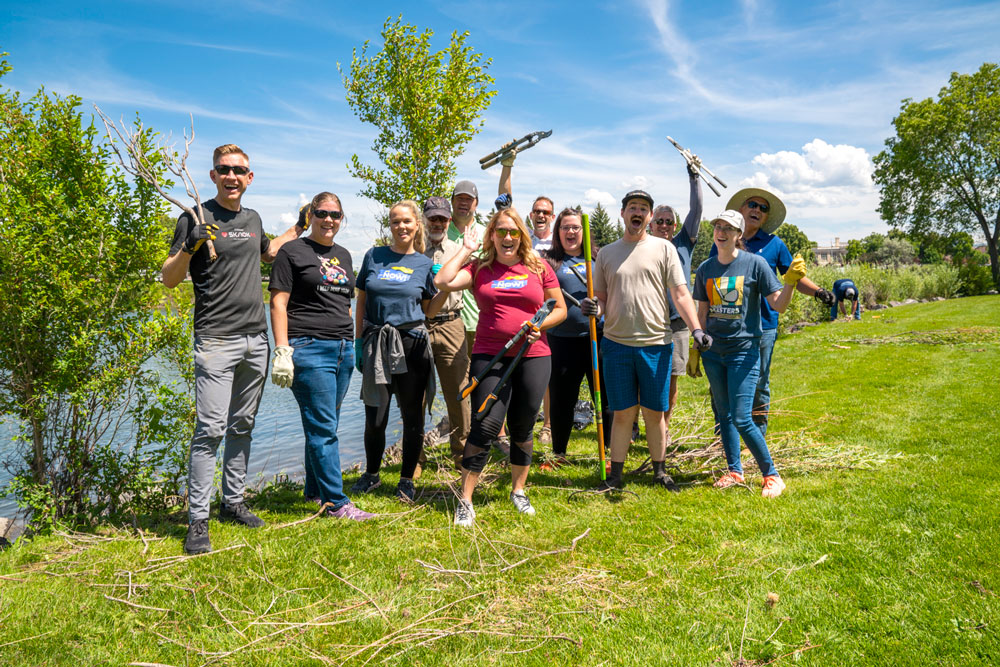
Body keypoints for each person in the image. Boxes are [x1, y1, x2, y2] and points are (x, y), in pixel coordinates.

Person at [161, 144, 305, 554]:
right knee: (209, 430)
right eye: (224, 169)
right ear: (213, 175)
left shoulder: (253, 218)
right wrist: (190, 246)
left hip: (256, 339)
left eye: (239, 170)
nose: (232, 176)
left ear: (250, 177)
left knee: (242, 426)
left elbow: (267, 251)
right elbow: (169, 279)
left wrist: (298, 226)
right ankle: (198, 520)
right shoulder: (195, 218)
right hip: (215, 339)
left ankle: (234, 502)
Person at [435, 208, 566, 526]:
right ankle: (465, 500)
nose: (508, 237)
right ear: (491, 234)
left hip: (534, 355)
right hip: (489, 355)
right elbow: (443, 280)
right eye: (501, 231)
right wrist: (467, 249)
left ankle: (518, 491)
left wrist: (541, 325)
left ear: (521, 235)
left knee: (523, 426)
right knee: (486, 424)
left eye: (514, 232)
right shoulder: (479, 267)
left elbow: (560, 309)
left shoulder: (538, 266)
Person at [587, 190, 709, 492]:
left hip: (657, 343)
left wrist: (695, 329)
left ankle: (659, 471)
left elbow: (681, 293)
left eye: (643, 208)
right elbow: (601, 299)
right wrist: (593, 307)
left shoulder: (664, 249)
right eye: (632, 207)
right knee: (622, 413)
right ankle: (615, 475)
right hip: (616, 344)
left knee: (655, 413)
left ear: (650, 216)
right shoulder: (606, 254)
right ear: (623, 213)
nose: (637, 212)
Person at [267, 192, 375, 521]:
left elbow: (345, 302)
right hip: (309, 347)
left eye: (336, 215)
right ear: (310, 215)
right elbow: (278, 303)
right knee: (324, 428)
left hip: (341, 348)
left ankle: (314, 491)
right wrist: (283, 350)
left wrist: (353, 343)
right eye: (322, 213)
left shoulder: (342, 254)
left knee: (323, 424)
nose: (329, 220)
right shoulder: (292, 252)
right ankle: (337, 503)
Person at [693, 210, 805, 498]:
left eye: (728, 228)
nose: (721, 232)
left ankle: (772, 475)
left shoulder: (754, 264)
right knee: (725, 415)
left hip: (744, 351)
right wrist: (696, 346)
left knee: (742, 417)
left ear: (739, 234)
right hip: (713, 353)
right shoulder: (706, 268)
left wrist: (790, 281)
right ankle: (735, 471)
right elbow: (701, 312)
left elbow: (778, 305)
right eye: (718, 226)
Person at [712, 188, 835, 435]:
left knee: (758, 382)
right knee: (722, 384)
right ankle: (723, 438)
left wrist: (819, 291)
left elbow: (794, 277)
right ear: (741, 210)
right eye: (752, 205)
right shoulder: (721, 238)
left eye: (763, 208)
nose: (757, 210)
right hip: (727, 326)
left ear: (766, 217)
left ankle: (756, 437)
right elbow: (711, 279)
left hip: (763, 326)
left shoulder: (774, 244)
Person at [351, 200, 448, 502]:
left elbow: (430, 311)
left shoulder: (423, 263)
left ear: (416, 224)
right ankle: (371, 474)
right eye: (395, 221)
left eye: (407, 221)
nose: (401, 227)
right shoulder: (374, 256)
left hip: (412, 344)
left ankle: (406, 479)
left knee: (412, 416)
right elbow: (362, 301)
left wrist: (445, 286)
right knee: (375, 415)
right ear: (389, 225)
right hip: (376, 342)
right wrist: (358, 342)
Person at [541, 208, 613, 469]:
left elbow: (609, 295)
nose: (570, 232)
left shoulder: (598, 259)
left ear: (584, 231)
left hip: (597, 338)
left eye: (575, 227)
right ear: (557, 232)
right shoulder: (548, 261)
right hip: (562, 340)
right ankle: (558, 453)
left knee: (604, 397)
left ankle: (608, 452)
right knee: (562, 399)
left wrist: (599, 307)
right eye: (565, 227)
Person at [498, 150, 556, 444]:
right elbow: (505, 204)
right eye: (537, 211)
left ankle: (547, 425)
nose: (541, 215)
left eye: (546, 211)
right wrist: (508, 166)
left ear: (552, 216)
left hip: (556, 315)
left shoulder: (561, 239)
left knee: (548, 375)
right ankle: (503, 429)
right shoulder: (521, 237)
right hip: (527, 317)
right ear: (531, 215)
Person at [646, 162, 703, 443]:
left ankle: (664, 427)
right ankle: (638, 423)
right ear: (651, 224)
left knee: (671, 378)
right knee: (645, 376)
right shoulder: (643, 244)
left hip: (678, 324)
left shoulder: (683, 242)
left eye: (669, 221)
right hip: (649, 323)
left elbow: (697, 211)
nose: (665, 225)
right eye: (660, 221)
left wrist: (694, 178)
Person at [421, 196, 471, 470]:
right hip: (418, 325)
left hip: (451, 323)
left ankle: (462, 456)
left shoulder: (461, 251)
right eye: (433, 218)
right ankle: (415, 458)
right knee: (415, 393)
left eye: (442, 218)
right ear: (424, 220)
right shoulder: (414, 249)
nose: (438, 223)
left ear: (449, 220)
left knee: (459, 393)